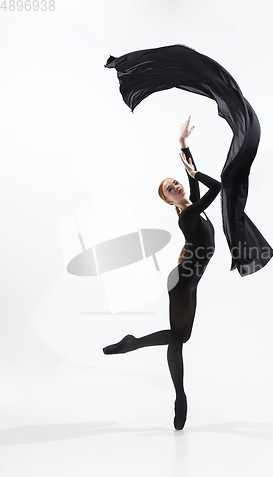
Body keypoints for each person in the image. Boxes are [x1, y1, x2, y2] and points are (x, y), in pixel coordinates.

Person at [103, 116, 222, 430]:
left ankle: (133, 342)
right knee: (178, 341)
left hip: (187, 282)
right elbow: (217, 187)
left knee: (181, 336)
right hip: (182, 283)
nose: (177, 185)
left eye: (176, 182)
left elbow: (191, 177)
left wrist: (183, 145)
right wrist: (198, 174)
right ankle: (180, 397)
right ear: (168, 199)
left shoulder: (192, 203)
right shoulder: (187, 215)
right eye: (171, 188)